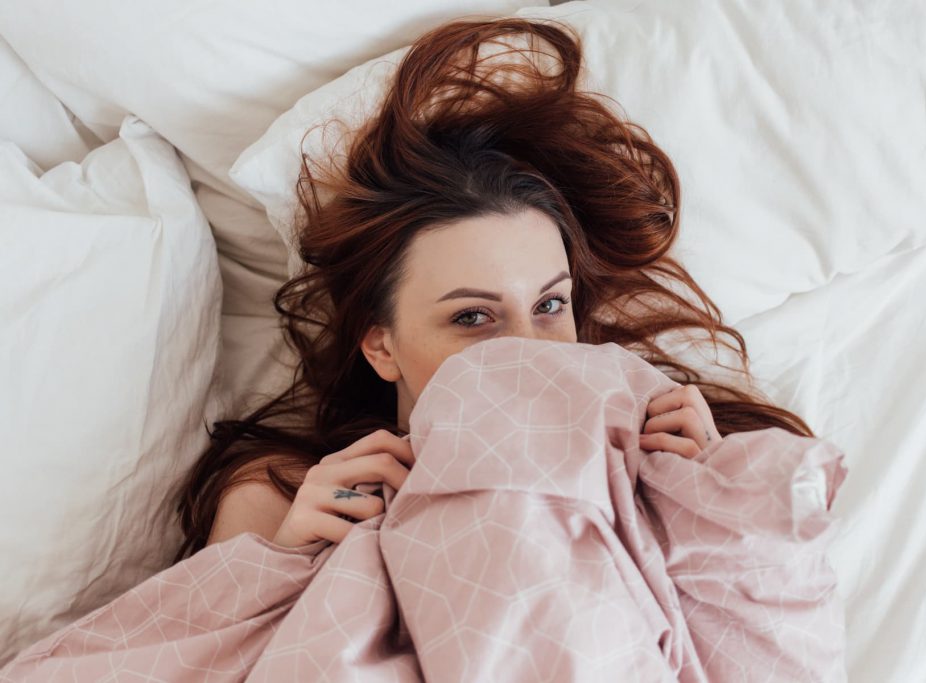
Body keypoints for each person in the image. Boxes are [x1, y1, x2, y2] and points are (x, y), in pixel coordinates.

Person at [171, 17, 815, 563]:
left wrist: (711, 510)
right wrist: (282, 571)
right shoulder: (284, 498)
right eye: (474, 317)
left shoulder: (676, 459)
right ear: (381, 345)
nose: (530, 353)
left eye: (549, 305)